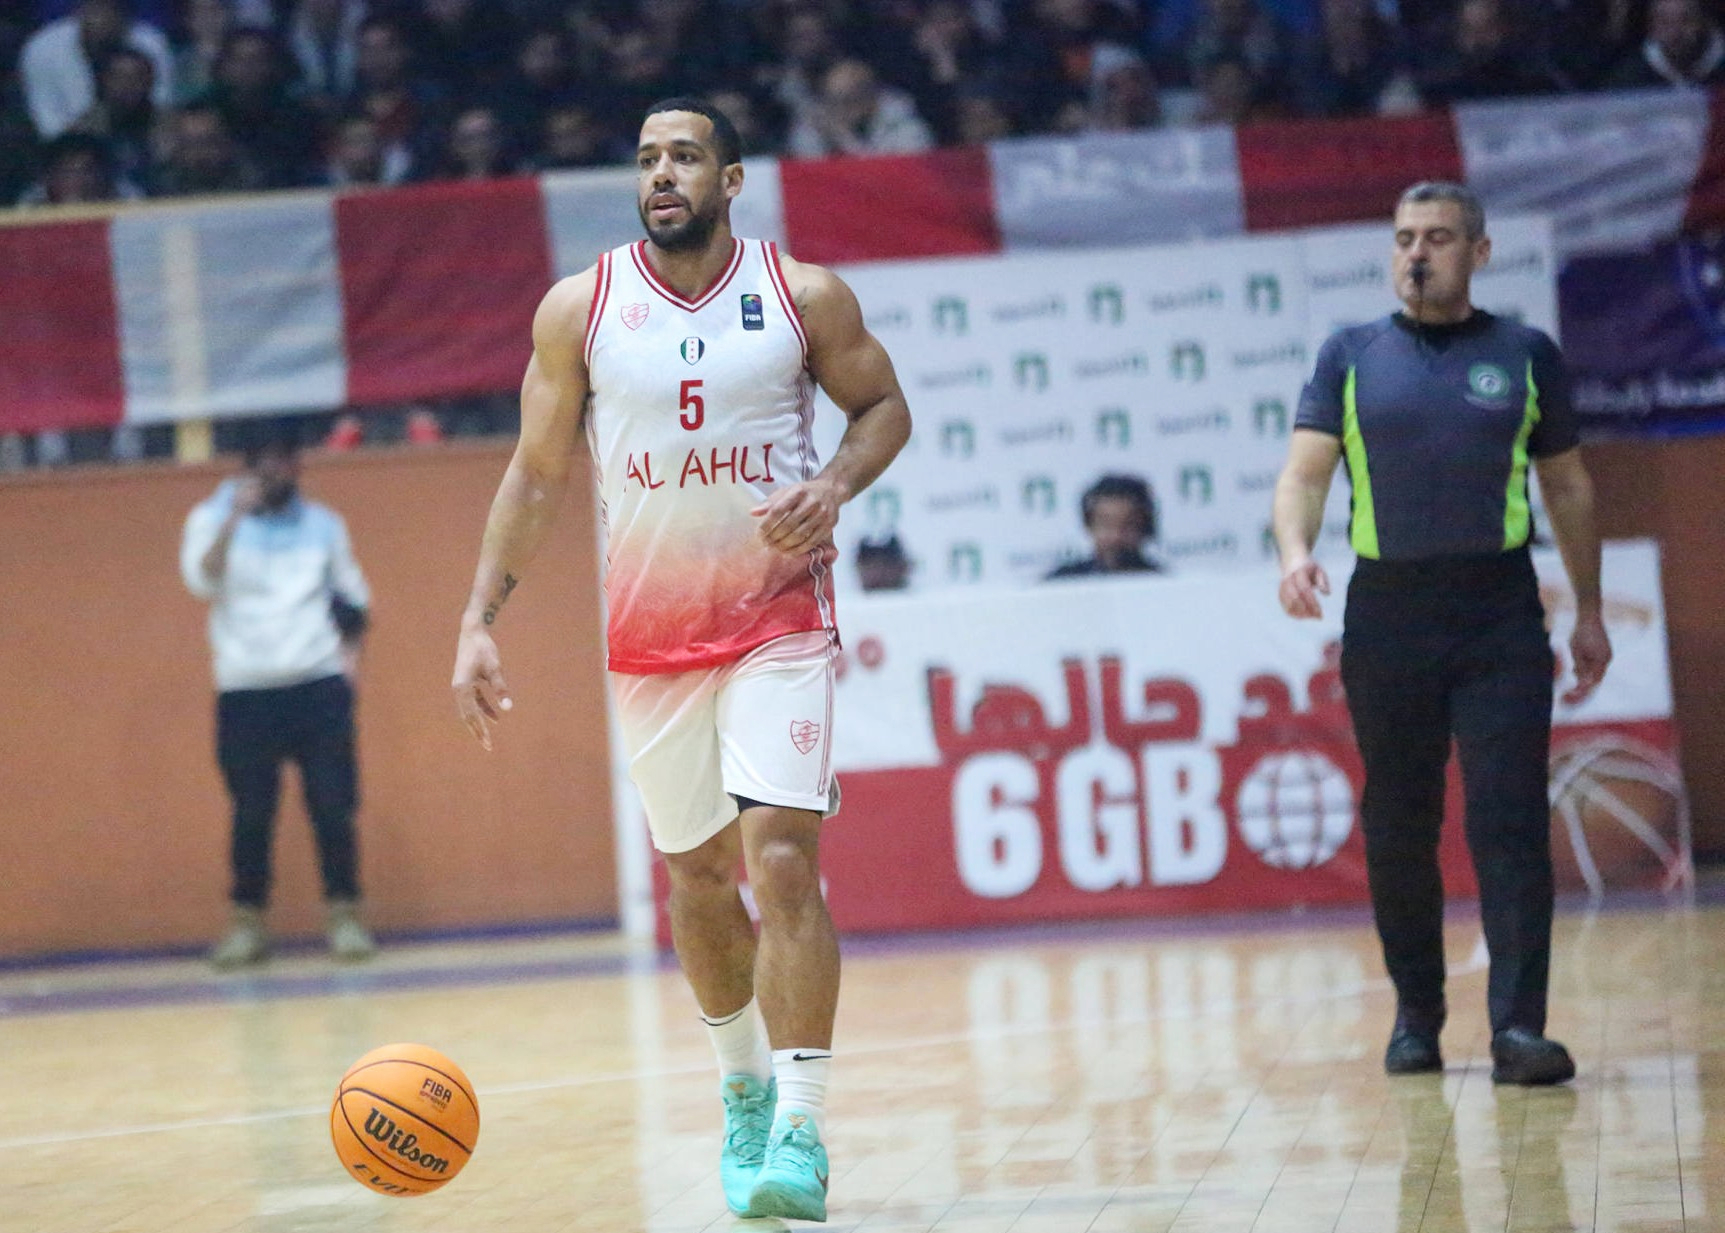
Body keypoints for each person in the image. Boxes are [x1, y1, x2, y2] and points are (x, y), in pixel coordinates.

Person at [450, 98, 910, 1222]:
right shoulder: (580, 309)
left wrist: (833, 485)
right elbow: (536, 474)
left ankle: (800, 1126)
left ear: (731, 180)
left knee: (781, 857)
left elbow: (883, 408)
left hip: (777, 617)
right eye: (649, 158)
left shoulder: (802, 295)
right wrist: (478, 617)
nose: (663, 174)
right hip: (652, 636)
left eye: (687, 157)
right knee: (698, 878)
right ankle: (742, 1091)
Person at [1272, 181, 1611, 1086]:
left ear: (1478, 251)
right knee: (1398, 818)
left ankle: (1518, 1029)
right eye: (1402, 238)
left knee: (1509, 817)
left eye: (1436, 237)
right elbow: (1303, 475)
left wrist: (1589, 609)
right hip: (1388, 613)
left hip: (1498, 611)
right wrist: (1295, 552)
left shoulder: (1525, 355)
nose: (1415, 253)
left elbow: (1567, 486)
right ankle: (1415, 1016)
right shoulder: (1349, 355)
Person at [180, 420, 378, 969]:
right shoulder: (210, 519)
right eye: (265, 458)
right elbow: (201, 581)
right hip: (246, 690)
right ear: (248, 465)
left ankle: (346, 918)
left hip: (317, 686)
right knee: (251, 814)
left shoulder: (323, 526)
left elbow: (355, 604)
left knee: (334, 808)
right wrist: (233, 521)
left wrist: (349, 668)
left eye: (286, 457)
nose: (277, 468)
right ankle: (246, 927)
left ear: (297, 465)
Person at [1046, 473, 1164, 579]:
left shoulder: (1161, 582)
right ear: (1089, 526)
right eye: (1106, 525)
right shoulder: (1062, 582)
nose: (1116, 536)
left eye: (1128, 525)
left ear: (1145, 527)